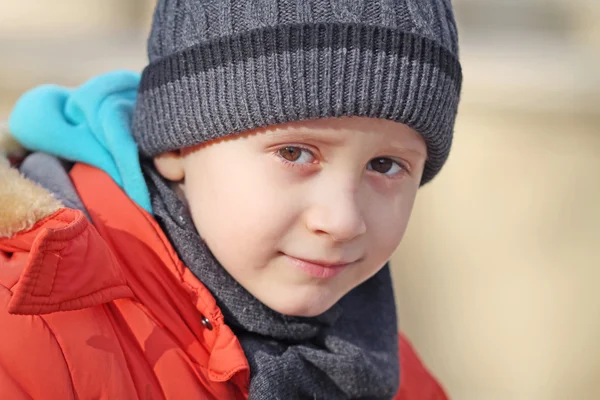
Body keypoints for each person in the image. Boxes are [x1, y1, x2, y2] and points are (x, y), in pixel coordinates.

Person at [0, 0, 461, 398]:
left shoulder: (386, 363)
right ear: (177, 145)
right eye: (294, 152)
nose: (342, 221)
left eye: (385, 166)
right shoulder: (30, 329)